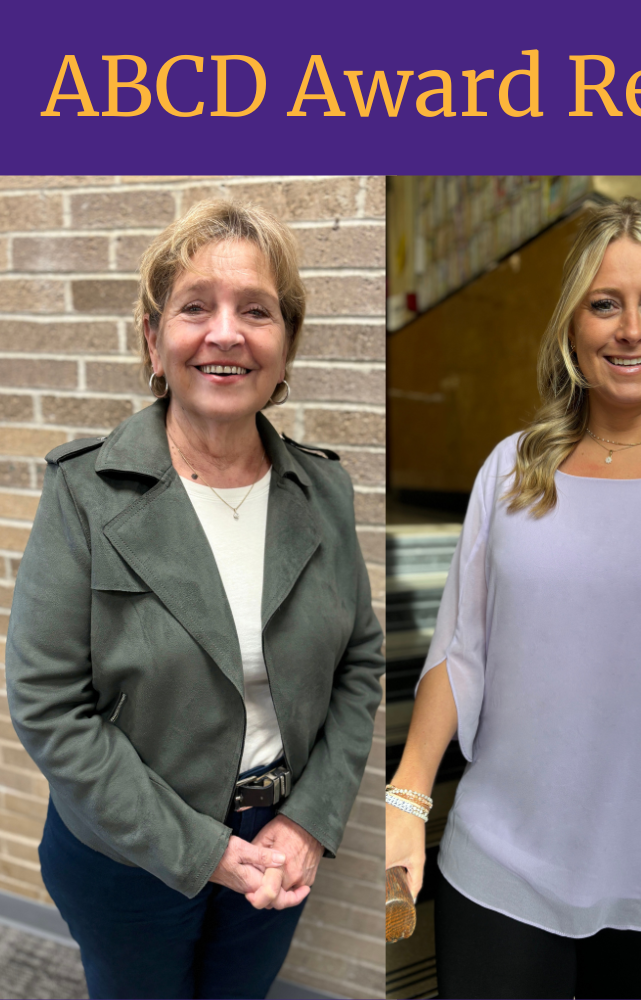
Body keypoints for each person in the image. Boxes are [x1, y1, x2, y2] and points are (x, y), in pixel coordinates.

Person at [385, 198, 641, 999]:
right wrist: (407, 796)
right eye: (604, 304)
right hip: (503, 859)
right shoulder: (509, 470)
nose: (630, 329)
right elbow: (459, 649)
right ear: (572, 326)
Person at [5, 200, 384, 999]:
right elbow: (47, 705)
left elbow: (359, 662)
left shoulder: (324, 491)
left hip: (278, 843)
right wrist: (200, 849)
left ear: (286, 346)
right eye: (194, 307)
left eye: (256, 310)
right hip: (129, 849)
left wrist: (310, 819)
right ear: (153, 339)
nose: (225, 333)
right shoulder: (85, 493)